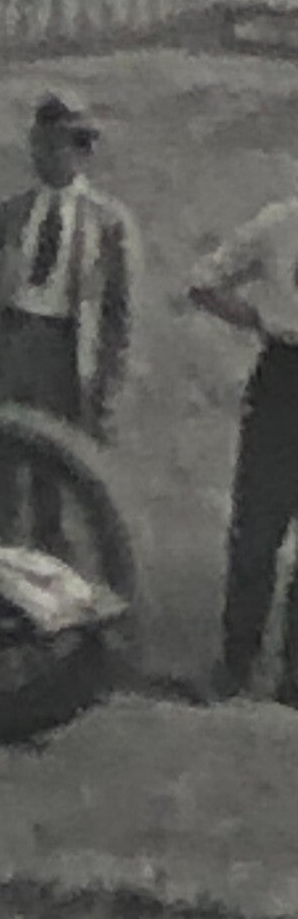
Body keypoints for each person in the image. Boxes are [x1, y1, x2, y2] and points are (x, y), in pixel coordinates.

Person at [0, 91, 138, 543]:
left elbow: (118, 315)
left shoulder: (107, 224)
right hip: (8, 343)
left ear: (83, 151)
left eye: (63, 145)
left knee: (55, 472)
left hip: (66, 352)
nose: (50, 156)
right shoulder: (5, 216)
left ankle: (52, 572)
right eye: (43, 144)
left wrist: (107, 384)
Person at [188, 192, 298, 703]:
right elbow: (205, 281)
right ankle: (236, 665)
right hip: (284, 378)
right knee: (256, 530)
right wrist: (255, 318)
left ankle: (293, 684)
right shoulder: (280, 222)